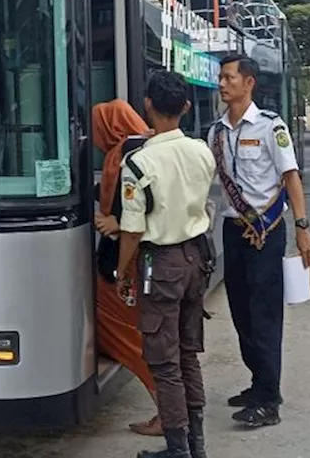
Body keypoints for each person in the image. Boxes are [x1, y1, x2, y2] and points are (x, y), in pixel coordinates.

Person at [207, 54, 310, 429]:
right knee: (241, 314)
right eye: (220, 78)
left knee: (265, 315)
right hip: (233, 232)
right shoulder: (216, 133)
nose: (222, 84)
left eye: (228, 77)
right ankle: (259, 383)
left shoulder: (271, 127)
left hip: (267, 234)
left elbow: (291, 177)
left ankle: (268, 400)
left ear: (248, 82)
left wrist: (302, 227)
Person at [116, 71, 217, 458]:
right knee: (188, 354)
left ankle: (177, 449)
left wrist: (124, 272)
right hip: (197, 258)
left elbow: (132, 229)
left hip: (163, 264)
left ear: (147, 106)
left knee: (164, 360)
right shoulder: (201, 151)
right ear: (186, 107)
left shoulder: (139, 163)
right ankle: (196, 445)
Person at [91, 99, 161, 437]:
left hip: (125, 260)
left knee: (128, 335)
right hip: (142, 257)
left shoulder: (125, 154)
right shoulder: (146, 147)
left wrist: (114, 223)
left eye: (97, 125)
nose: (93, 134)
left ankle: (168, 411)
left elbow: (134, 209)